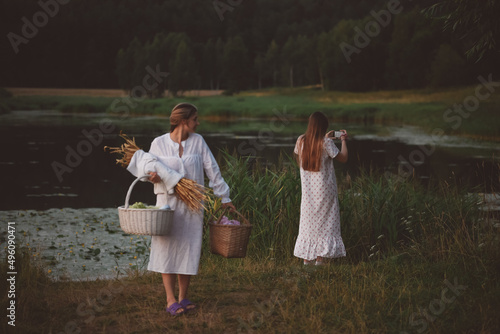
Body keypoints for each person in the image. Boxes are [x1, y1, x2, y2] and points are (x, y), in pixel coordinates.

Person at [147, 102, 236, 316]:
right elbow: (147, 172)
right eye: (195, 119)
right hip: (167, 206)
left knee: (189, 247)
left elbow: (212, 170)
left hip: (192, 206)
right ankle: (170, 300)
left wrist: (224, 196)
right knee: (166, 247)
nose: (198, 123)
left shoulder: (198, 142)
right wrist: (152, 176)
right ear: (184, 121)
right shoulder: (158, 143)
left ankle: (183, 297)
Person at [293, 111, 348, 266]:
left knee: (308, 224)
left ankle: (307, 260)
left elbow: (300, 156)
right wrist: (343, 141)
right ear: (324, 126)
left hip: (309, 193)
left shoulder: (300, 141)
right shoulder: (325, 143)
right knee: (326, 224)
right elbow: (343, 158)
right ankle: (320, 260)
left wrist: (327, 138)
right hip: (325, 192)